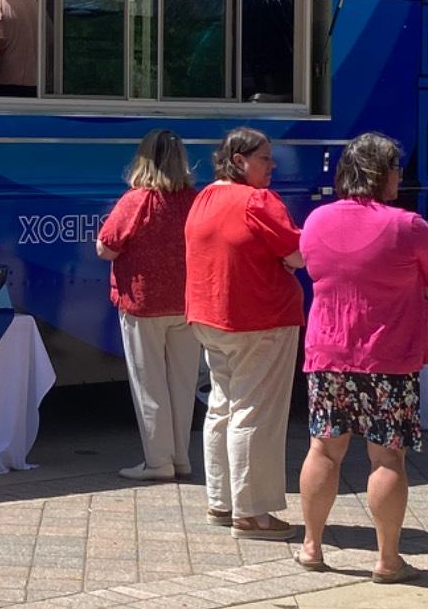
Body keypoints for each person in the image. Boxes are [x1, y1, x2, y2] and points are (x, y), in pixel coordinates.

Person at [293, 134, 428, 583]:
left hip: (328, 354)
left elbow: (309, 263)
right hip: (389, 357)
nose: (401, 177)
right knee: (387, 458)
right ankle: (386, 559)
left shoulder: (318, 220)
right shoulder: (408, 225)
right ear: (382, 173)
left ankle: (312, 546)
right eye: (397, 169)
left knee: (323, 449)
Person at [184, 126, 305, 537]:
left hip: (209, 317)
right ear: (239, 160)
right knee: (254, 413)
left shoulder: (203, 198)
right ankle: (251, 513)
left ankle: (221, 502)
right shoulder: (258, 200)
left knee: (221, 407)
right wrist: (288, 261)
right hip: (259, 318)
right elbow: (297, 253)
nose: (272, 166)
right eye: (264, 158)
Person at [96, 129, 198, 480]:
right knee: (183, 385)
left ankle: (158, 463)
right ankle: (181, 458)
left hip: (144, 304)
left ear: (142, 158)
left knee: (150, 384)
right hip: (186, 303)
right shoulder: (192, 199)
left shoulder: (136, 201)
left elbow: (106, 247)